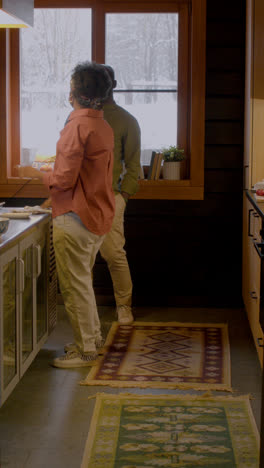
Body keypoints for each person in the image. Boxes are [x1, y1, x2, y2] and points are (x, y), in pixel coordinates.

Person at [18, 61, 115, 368]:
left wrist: (36, 172)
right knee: (82, 283)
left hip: (75, 217)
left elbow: (63, 180)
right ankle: (93, 339)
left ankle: (86, 351)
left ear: (75, 91)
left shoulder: (76, 127)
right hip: (97, 216)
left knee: (75, 287)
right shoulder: (102, 124)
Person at [99, 64, 141, 325]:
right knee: (79, 261)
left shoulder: (126, 120)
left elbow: (134, 165)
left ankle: (124, 306)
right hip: (80, 200)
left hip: (112, 199)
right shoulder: (78, 118)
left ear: (112, 85)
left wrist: (123, 195)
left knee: (114, 254)